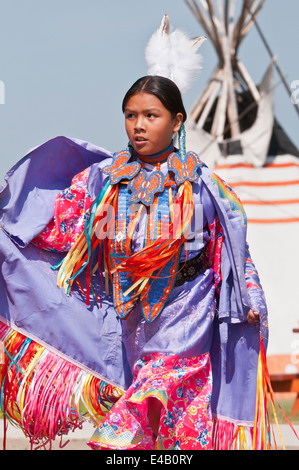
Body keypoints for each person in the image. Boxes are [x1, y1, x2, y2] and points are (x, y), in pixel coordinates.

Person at [0, 19, 273, 450]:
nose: (139, 126)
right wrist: (16, 231)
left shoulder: (203, 187)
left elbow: (233, 252)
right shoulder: (104, 180)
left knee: (157, 385)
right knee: (172, 420)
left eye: (151, 115)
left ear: (177, 120)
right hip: (128, 310)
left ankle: (119, 440)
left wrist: (251, 299)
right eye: (131, 116)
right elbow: (65, 226)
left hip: (189, 305)